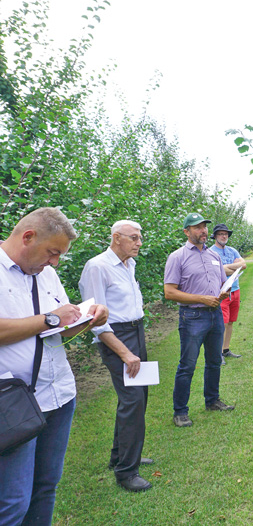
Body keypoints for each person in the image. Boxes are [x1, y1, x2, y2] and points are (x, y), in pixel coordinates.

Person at [0, 207, 109, 525]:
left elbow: (59, 328)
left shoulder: (46, 273)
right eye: (53, 252)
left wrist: (89, 319)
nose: (55, 262)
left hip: (59, 394)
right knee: (12, 502)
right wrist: (50, 318)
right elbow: (48, 320)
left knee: (45, 488)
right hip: (14, 403)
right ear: (28, 237)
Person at [78, 220, 153, 492]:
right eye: (134, 238)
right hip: (117, 337)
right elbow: (95, 320)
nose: (139, 243)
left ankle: (121, 455)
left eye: (139, 237)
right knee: (132, 400)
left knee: (139, 398)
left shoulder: (128, 264)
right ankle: (126, 472)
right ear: (116, 238)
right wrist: (125, 352)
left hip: (136, 330)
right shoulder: (98, 267)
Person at [164, 213, 234, 428]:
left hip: (214, 315)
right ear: (187, 232)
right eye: (197, 227)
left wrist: (224, 292)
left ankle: (212, 400)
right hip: (193, 317)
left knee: (214, 361)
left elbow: (223, 283)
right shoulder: (177, 257)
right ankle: (180, 411)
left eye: (204, 227)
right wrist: (201, 298)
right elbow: (169, 292)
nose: (202, 230)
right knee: (187, 365)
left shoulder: (214, 256)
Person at [210, 223, 247, 364]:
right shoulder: (211, 252)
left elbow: (243, 265)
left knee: (230, 322)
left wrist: (226, 268)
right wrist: (233, 268)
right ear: (215, 236)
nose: (224, 236)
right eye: (220, 234)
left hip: (235, 290)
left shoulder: (232, 251)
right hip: (222, 292)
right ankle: (217, 353)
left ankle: (226, 349)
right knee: (222, 323)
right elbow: (217, 271)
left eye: (225, 234)